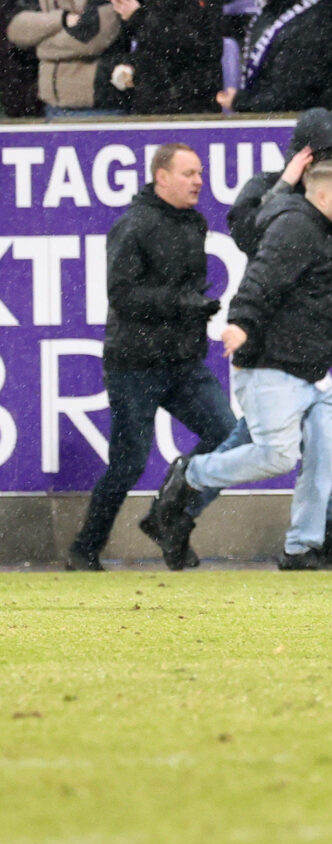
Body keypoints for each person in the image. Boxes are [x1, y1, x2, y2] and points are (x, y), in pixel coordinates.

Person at [152, 157, 332, 569]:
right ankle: (191, 474)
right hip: (270, 366)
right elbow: (262, 278)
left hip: (309, 370)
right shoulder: (295, 226)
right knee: (277, 456)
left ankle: (302, 548)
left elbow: (313, 295)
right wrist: (241, 322)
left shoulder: (326, 229)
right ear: (321, 196)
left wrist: (325, 342)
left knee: (327, 452)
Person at [58, 142, 225, 571]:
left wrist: (193, 313)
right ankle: (84, 548)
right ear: (161, 176)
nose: (198, 181)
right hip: (134, 364)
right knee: (129, 462)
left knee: (227, 435)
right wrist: (182, 304)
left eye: (200, 173)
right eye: (189, 173)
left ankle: (168, 516)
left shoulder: (195, 223)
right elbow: (123, 295)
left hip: (183, 362)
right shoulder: (133, 226)